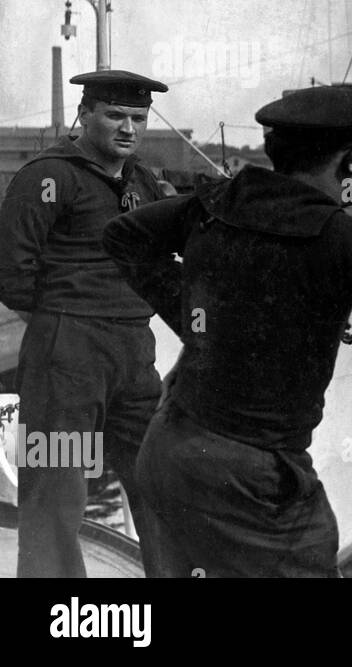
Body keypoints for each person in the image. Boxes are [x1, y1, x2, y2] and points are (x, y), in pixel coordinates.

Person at [103, 86, 352, 577]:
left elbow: (123, 235)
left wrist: (197, 320)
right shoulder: (339, 237)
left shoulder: (213, 205)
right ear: (351, 158)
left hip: (169, 449)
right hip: (254, 480)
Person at [0, 69, 169, 577]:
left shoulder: (141, 179)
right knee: (57, 484)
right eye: (115, 115)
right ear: (85, 112)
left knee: (159, 479)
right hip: (67, 352)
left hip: (135, 354)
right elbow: (12, 272)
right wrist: (63, 315)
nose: (128, 128)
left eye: (137, 118)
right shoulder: (49, 176)